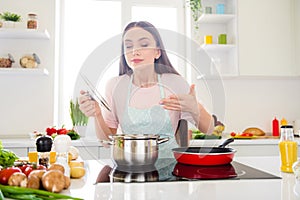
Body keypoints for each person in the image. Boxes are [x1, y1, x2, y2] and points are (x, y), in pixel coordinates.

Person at [79, 21, 214, 157]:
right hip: (130, 168)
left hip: (170, 170)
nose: (134, 51)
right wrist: (97, 115)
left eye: (144, 45)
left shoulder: (175, 83)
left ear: (157, 52)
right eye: (128, 46)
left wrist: (196, 108)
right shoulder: (114, 86)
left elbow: (209, 129)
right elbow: (107, 142)